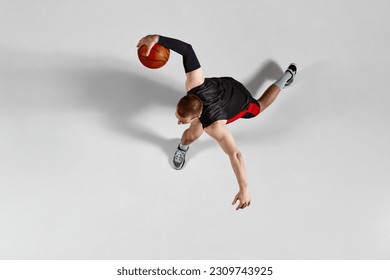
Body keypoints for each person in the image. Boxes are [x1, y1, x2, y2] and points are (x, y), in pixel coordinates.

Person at [136, 34, 297, 211]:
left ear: (194, 117)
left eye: (182, 120)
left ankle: (285, 78)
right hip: (226, 84)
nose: (177, 121)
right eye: (178, 116)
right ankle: (183, 147)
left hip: (239, 98)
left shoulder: (215, 126)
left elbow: (235, 155)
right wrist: (157, 38)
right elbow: (187, 50)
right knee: (191, 135)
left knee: (259, 107)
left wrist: (244, 189)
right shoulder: (194, 84)